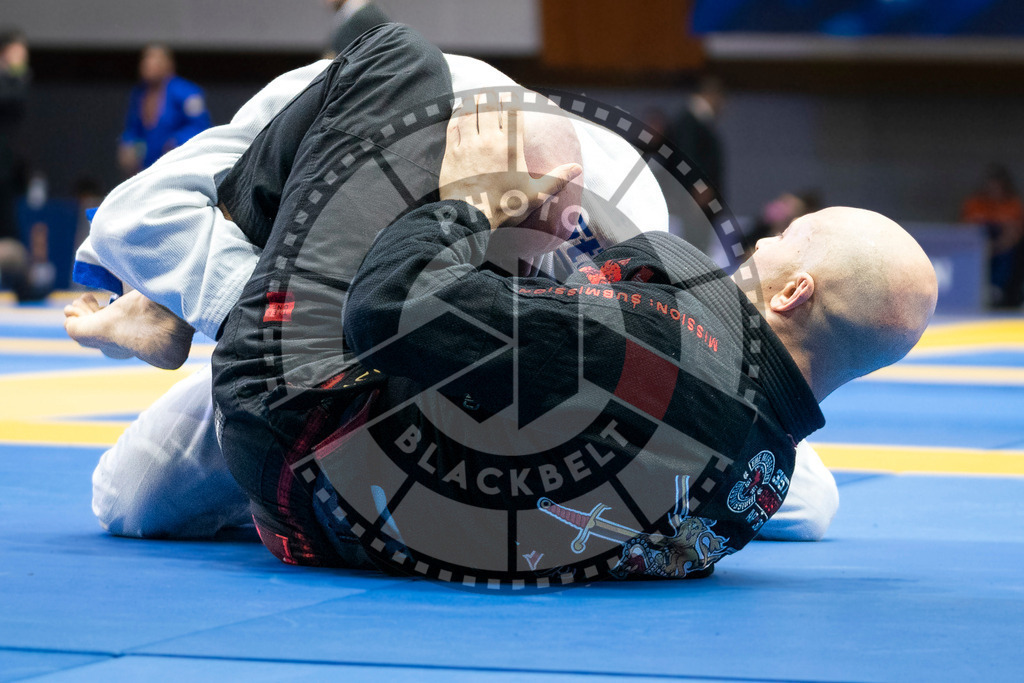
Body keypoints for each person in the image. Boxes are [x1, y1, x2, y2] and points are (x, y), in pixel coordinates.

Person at [68, 22, 838, 550]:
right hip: (310, 315)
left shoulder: (624, 201)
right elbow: (134, 215)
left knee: (804, 500)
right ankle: (168, 312)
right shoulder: (337, 115)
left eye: (540, 239)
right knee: (128, 497)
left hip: (494, 359)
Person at [118, 44, 212, 176]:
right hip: (147, 166)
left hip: (180, 164)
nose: (148, 64)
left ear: (169, 65)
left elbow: (200, 127)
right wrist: (128, 143)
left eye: (155, 60)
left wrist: (178, 142)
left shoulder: (188, 93)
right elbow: (134, 128)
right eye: (146, 59)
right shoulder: (139, 94)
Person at [960, 165, 1024, 308]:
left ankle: (997, 288)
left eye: (997, 187)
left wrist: (995, 247)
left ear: (1004, 187)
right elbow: (966, 231)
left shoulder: (1013, 205)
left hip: (1004, 249)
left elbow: (1014, 234)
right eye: (990, 186)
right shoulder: (975, 203)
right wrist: (984, 247)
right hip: (978, 249)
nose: (993, 190)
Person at [0, 29, 29, 291]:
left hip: (6, 169)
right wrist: (17, 70)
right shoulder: (8, 80)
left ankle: (21, 287)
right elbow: (13, 97)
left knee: (10, 232)